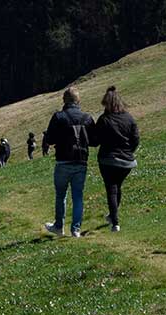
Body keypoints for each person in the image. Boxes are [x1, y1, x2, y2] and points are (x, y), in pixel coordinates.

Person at [44, 86, 96, 238]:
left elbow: (50, 139)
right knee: (78, 195)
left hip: (63, 161)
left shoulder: (58, 117)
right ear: (78, 100)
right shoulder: (87, 118)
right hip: (81, 161)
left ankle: (59, 226)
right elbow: (94, 141)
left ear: (64, 100)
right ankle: (76, 229)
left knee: (61, 195)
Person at [95, 86, 139, 233]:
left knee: (111, 189)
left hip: (108, 159)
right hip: (126, 162)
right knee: (117, 187)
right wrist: (129, 152)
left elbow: (96, 140)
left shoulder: (104, 119)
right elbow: (135, 139)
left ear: (107, 103)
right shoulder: (129, 118)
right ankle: (112, 216)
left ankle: (115, 223)